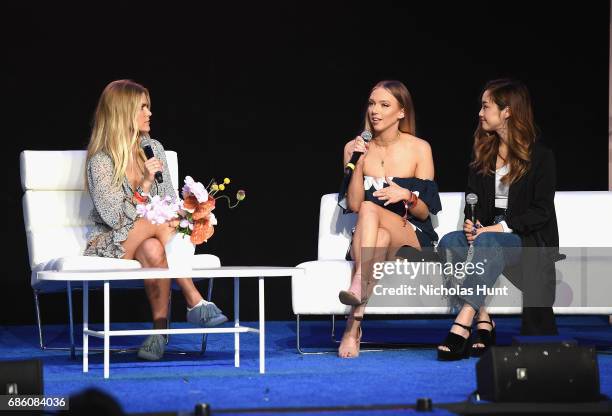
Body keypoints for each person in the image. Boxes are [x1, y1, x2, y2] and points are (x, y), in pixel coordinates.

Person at [84, 79, 228, 361]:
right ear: (122, 113)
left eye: (149, 107)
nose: (149, 114)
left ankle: (160, 331)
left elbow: (170, 201)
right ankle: (193, 298)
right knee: (162, 224)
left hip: (150, 238)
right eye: (143, 107)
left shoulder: (154, 148)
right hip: (112, 243)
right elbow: (114, 217)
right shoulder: (100, 161)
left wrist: (189, 212)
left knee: (154, 246)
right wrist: (145, 185)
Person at [436, 78, 561, 361]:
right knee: (449, 243)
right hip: (490, 238)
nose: (480, 114)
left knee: (490, 241)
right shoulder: (483, 152)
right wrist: (474, 225)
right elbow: (475, 202)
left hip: (529, 242)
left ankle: (463, 322)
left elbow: (541, 212)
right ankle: (484, 319)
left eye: (485, 106)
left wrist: (498, 227)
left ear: (507, 111)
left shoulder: (541, 156)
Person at [337, 80, 442, 358]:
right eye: (372, 103)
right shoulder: (354, 147)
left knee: (372, 213)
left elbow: (423, 213)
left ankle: (356, 292)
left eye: (385, 105)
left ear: (401, 112)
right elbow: (355, 204)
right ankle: (355, 323)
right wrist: (358, 164)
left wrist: (407, 194)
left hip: (411, 236)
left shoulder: (419, 148)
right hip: (373, 236)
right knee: (374, 224)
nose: (375, 111)